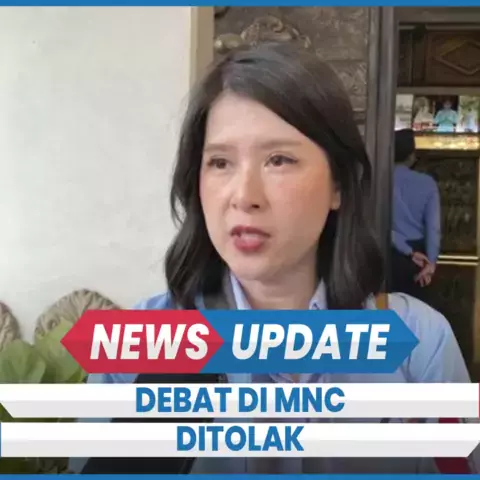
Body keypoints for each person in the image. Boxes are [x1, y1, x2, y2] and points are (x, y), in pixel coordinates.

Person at [73, 43, 475, 474]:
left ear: (339, 184)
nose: (244, 196)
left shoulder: (418, 345)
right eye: (220, 162)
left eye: (279, 160)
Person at [391, 129, 441, 301]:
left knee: (384, 308)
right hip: (418, 257)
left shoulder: (379, 180)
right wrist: (431, 262)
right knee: (415, 310)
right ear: (411, 156)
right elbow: (433, 228)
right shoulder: (427, 183)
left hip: (386, 251)